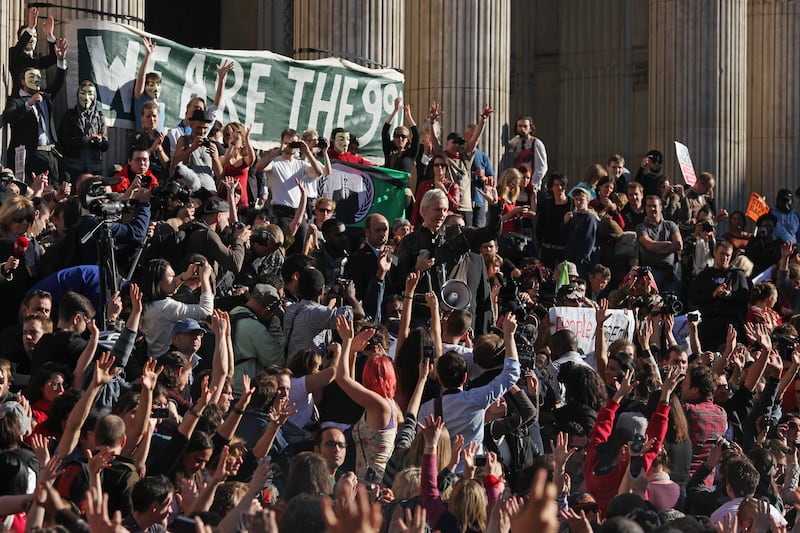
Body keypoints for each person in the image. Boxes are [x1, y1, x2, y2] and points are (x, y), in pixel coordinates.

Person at [334, 317, 397, 480]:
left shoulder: (379, 405)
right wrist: (353, 352)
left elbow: (342, 379)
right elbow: (351, 384)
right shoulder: (386, 402)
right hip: (369, 480)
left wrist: (347, 342)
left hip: (372, 485)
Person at [3, 39, 68, 182]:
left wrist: (61, 60)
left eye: (38, 77)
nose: (36, 80)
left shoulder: (44, 97)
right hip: (30, 155)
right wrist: (29, 104)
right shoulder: (16, 100)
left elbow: (58, 82)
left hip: (49, 152)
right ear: (22, 81)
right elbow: (8, 117)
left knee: (53, 189)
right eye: (31, 77)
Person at [256, 129, 331, 230]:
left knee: (299, 243)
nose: (291, 146)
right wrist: (278, 151)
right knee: (284, 243)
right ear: (281, 142)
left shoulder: (301, 164)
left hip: (298, 212)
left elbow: (318, 173)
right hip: (280, 212)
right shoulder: (275, 162)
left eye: (294, 143)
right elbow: (259, 167)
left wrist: (307, 152)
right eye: (287, 143)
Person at [139, 258, 214, 357]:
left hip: (156, 358)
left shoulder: (147, 304)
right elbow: (206, 311)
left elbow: (169, 286)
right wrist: (204, 278)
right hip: (170, 361)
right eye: (171, 276)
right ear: (158, 281)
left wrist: (185, 276)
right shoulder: (165, 307)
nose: (175, 279)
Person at [283, 268, 361, 355]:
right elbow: (359, 313)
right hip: (310, 366)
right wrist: (351, 296)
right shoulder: (315, 313)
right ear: (321, 291)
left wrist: (325, 302)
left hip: (293, 364)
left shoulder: (292, 309)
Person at [690, 240, 749, 350]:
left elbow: (745, 299)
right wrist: (713, 294)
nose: (725, 258)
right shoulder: (704, 275)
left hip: (729, 325)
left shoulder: (737, 275)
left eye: (728, 255)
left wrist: (729, 295)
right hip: (708, 325)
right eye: (722, 254)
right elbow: (694, 297)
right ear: (715, 252)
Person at [229, 284, 285, 394]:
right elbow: (277, 360)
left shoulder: (233, 314)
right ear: (266, 310)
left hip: (228, 385)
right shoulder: (254, 328)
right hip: (241, 390)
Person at [58, 80, 108, 178]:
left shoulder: (99, 116)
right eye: (83, 93)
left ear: (94, 96)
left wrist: (99, 140)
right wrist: (82, 140)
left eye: (90, 94)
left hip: (95, 165)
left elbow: (105, 144)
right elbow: (63, 139)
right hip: (74, 164)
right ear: (78, 95)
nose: (86, 98)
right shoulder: (70, 115)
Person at [636, 195, 683, 294]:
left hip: (671, 271)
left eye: (654, 206)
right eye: (649, 206)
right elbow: (649, 245)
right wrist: (668, 244)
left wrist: (656, 248)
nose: (651, 209)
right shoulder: (641, 227)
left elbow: (678, 245)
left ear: (660, 207)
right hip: (652, 272)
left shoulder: (671, 225)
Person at [170, 109, 221, 193]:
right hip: (192, 191)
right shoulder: (184, 140)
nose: (202, 131)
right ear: (191, 125)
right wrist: (191, 149)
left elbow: (220, 174)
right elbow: (175, 164)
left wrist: (215, 158)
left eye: (205, 128)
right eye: (199, 127)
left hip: (210, 191)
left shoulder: (212, 145)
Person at [8, 7, 57, 95]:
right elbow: (17, 53)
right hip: (19, 100)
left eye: (34, 36)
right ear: (20, 39)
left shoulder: (37, 58)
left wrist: (50, 37)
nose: (32, 39)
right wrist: (30, 28)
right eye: (29, 36)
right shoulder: (13, 53)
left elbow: (53, 58)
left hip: (36, 100)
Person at [410, 153, 459, 226]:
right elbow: (417, 206)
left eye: (442, 165)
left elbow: (455, 206)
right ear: (432, 167)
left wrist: (445, 191)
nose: (439, 167)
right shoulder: (424, 185)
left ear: (446, 168)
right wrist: (413, 224)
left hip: (443, 222)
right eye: (436, 165)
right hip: (425, 223)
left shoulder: (453, 186)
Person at [536, 173, 572, 269]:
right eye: (556, 185)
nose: (559, 188)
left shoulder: (571, 204)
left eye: (562, 185)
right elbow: (540, 225)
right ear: (552, 187)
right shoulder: (547, 204)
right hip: (548, 248)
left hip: (565, 249)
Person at [128, 101, 170, 181]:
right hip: (141, 178)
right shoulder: (136, 137)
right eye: (148, 116)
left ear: (158, 117)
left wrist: (159, 147)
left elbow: (166, 166)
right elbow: (134, 162)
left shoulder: (164, 139)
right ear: (142, 118)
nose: (152, 119)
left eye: (154, 116)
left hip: (160, 178)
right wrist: (153, 147)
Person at [563, 186, 598, 280]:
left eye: (581, 199)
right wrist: (566, 223)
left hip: (583, 263)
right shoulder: (574, 216)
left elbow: (588, 241)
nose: (578, 202)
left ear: (588, 200)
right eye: (576, 199)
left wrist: (580, 259)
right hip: (570, 260)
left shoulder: (590, 218)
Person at [506, 115, 548, 192]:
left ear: (530, 128)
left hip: (530, 186)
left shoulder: (536, 143)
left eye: (525, 126)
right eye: (520, 126)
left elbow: (541, 168)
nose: (522, 129)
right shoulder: (515, 142)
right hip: (516, 185)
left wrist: (531, 183)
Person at [220, 123, 256, 207]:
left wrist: (247, 139)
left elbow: (252, 159)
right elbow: (224, 162)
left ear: (242, 144)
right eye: (229, 136)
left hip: (242, 202)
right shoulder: (222, 157)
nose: (232, 139)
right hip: (225, 200)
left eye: (237, 138)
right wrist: (232, 144)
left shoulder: (244, 160)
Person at [382, 97, 419, 173]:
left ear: (407, 139)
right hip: (388, 184)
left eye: (403, 136)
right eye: (397, 136)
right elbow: (385, 132)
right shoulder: (389, 151)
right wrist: (395, 111)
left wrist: (408, 116)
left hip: (404, 185)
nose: (400, 139)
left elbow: (416, 135)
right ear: (394, 138)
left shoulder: (411, 153)